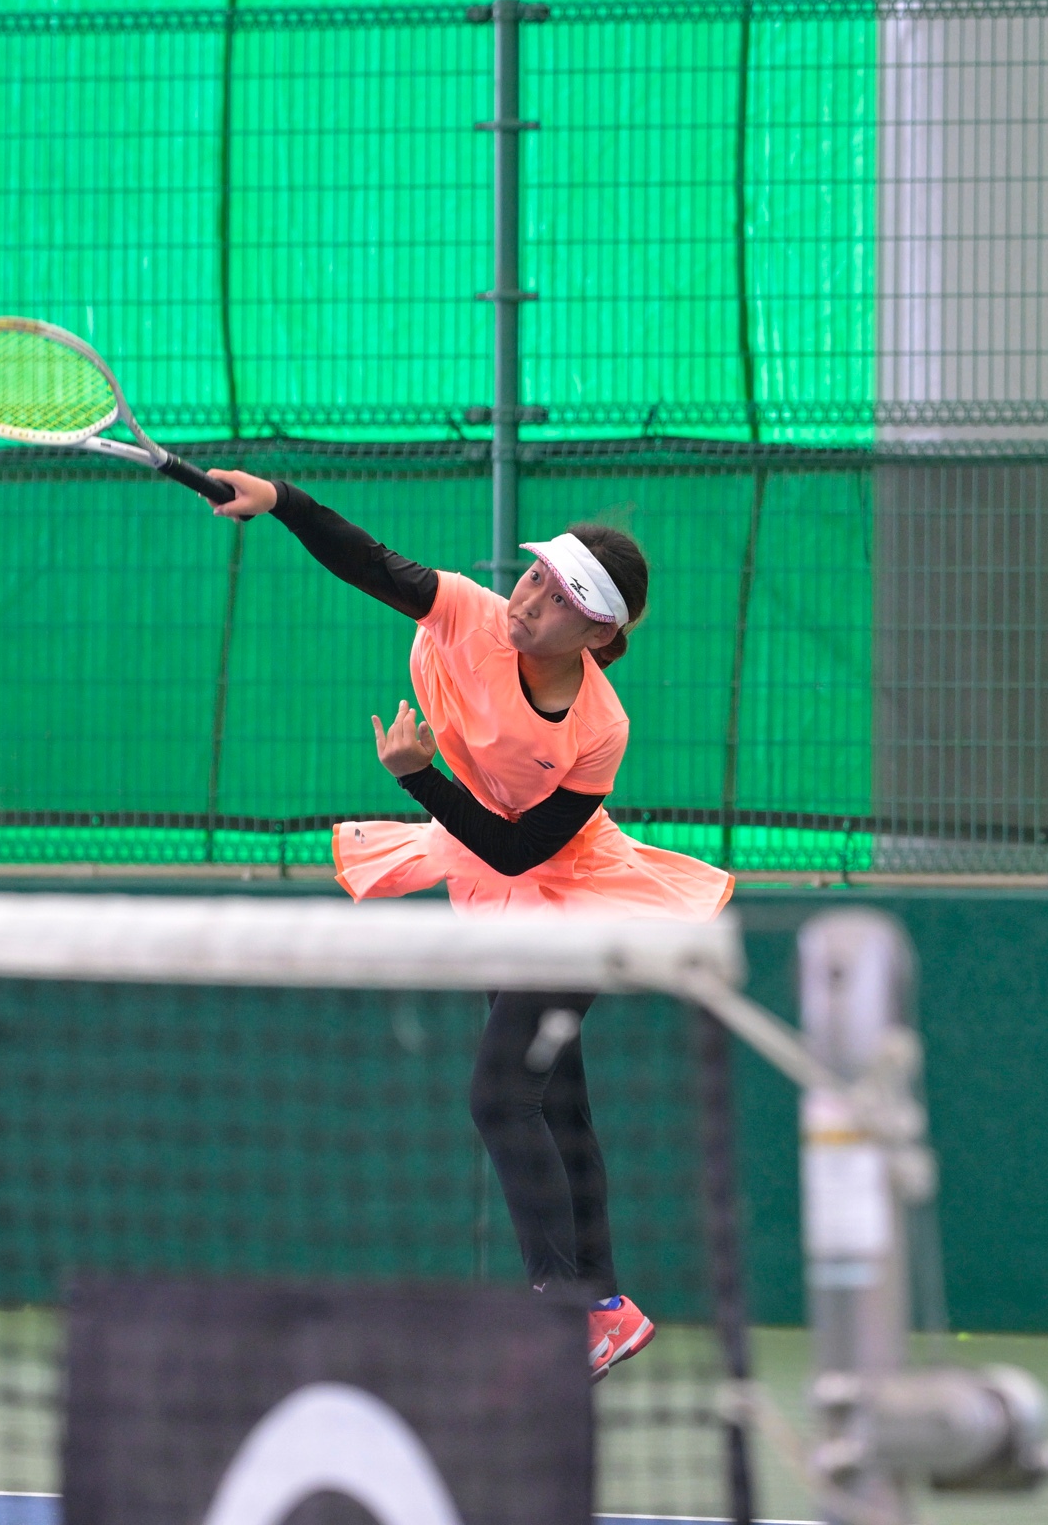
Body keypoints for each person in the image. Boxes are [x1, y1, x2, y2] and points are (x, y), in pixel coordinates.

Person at [209, 466, 733, 1382]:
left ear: (597, 635)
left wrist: (417, 777)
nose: (529, 600)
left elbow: (522, 849)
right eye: (534, 577)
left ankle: (564, 1308)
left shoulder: (598, 730)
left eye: (560, 599)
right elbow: (368, 562)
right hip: (494, 879)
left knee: (501, 1096)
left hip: (576, 892)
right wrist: (282, 500)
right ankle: (600, 1306)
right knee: (551, 1100)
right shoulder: (466, 613)